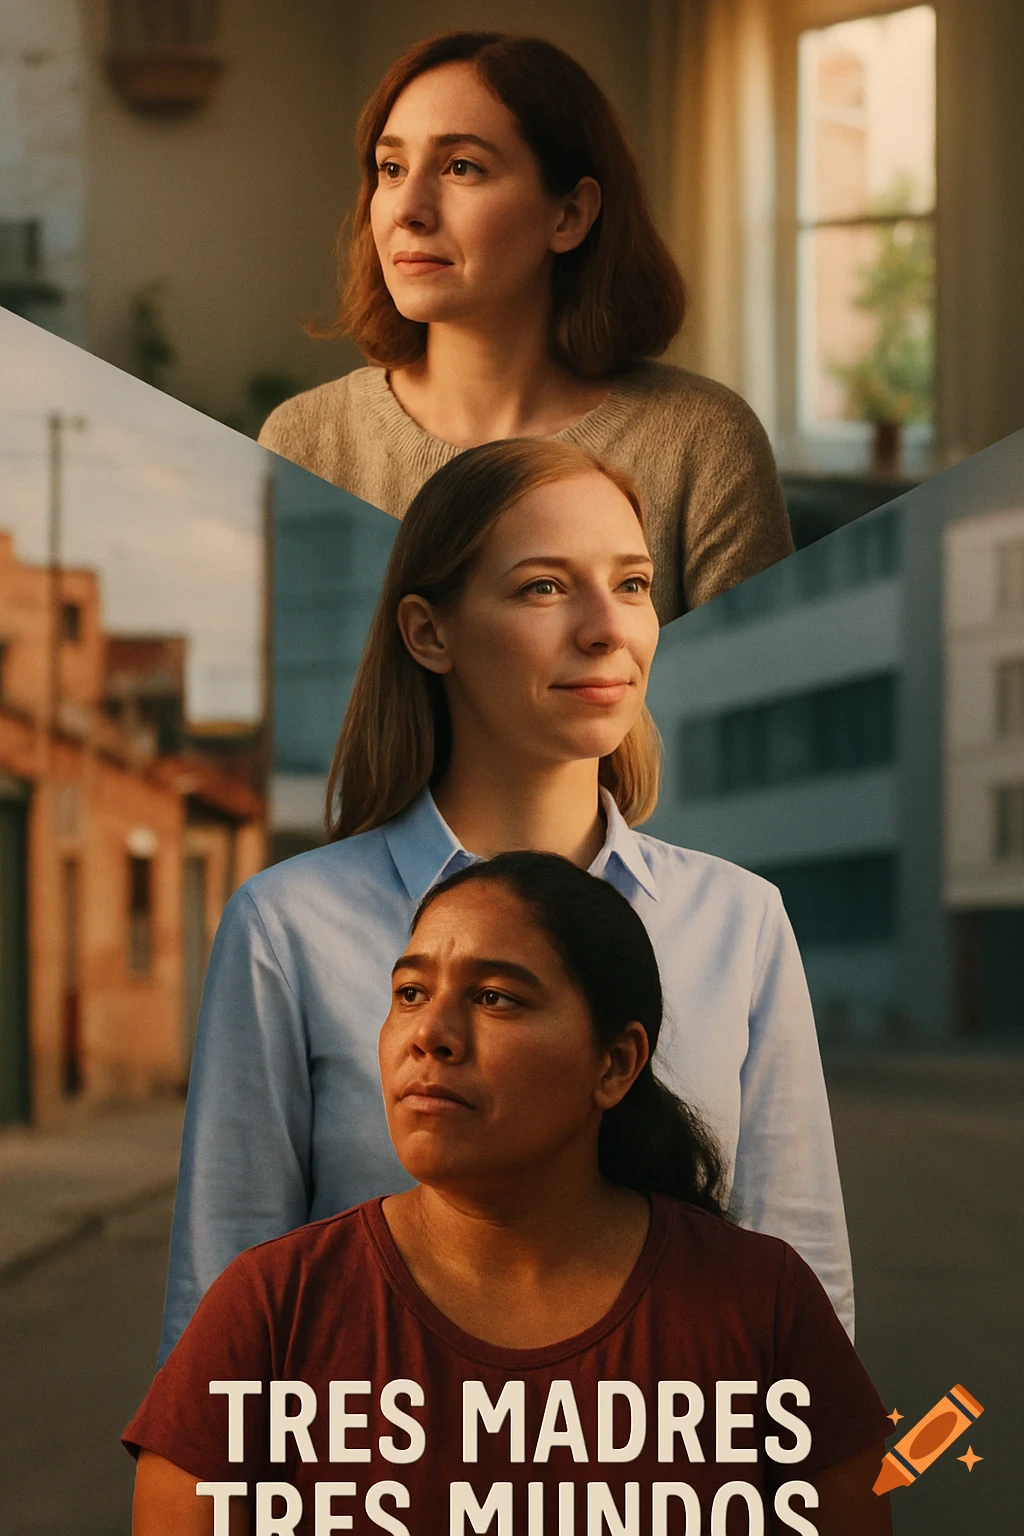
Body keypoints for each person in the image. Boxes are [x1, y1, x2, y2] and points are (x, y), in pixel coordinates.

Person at [158, 438, 852, 1369]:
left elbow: (805, 1293)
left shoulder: (739, 920)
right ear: (428, 633)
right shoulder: (288, 928)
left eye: (634, 584)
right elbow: (221, 1310)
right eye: (544, 587)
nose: (607, 629)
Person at [128, 854, 892, 1536]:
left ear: (615, 1064)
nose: (430, 1033)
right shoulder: (270, 1309)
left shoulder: (761, 1306)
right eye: (410, 991)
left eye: (495, 998)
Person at [259, 30, 793, 623]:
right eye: (392, 168)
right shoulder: (304, 442)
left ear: (570, 215)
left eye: (461, 167)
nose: (407, 209)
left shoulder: (703, 441)